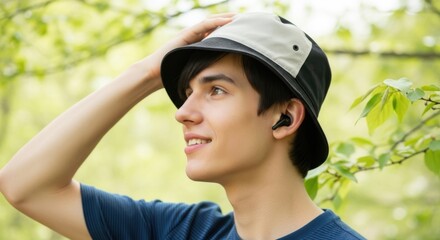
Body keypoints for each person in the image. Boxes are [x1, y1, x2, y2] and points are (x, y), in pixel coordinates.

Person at [0, 12, 365, 239]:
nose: (183, 113)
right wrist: (145, 74)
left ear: (284, 117)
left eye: (216, 90)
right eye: (187, 92)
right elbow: (25, 186)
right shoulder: (179, 232)